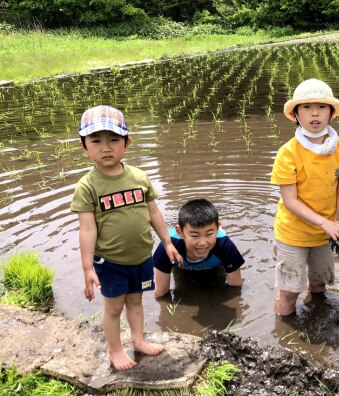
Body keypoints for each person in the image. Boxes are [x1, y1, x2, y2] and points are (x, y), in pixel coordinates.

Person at [70, 105, 182, 371]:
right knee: (113, 307)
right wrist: (87, 268)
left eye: (113, 140)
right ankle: (115, 349)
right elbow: (87, 229)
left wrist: (167, 241)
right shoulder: (88, 186)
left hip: (141, 257)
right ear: (83, 146)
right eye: (96, 141)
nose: (105, 147)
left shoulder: (139, 177)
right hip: (110, 261)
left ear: (127, 143)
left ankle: (139, 340)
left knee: (136, 300)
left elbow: (153, 212)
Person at [270, 78, 339, 316]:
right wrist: (326, 223)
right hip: (293, 234)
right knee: (289, 292)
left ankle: (317, 320)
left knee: (319, 285)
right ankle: (283, 335)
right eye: (307, 107)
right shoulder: (288, 153)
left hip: (324, 233)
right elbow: (290, 201)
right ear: (296, 114)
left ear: (331, 113)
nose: (314, 114)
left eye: (321, 107)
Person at [153, 198, 245, 297]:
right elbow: (160, 293)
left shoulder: (224, 245)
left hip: (215, 267)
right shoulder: (168, 247)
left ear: (218, 228)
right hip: (181, 268)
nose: (202, 243)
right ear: (180, 232)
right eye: (195, 236)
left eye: (209, 234)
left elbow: (236, 286)